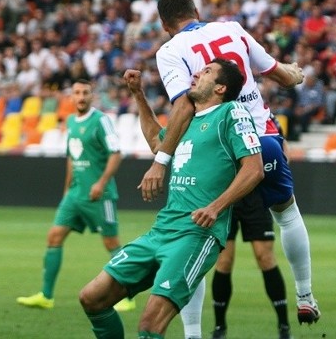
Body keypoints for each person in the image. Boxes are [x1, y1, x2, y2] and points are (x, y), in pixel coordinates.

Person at [139, 0, 320, 336]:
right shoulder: (232, 28)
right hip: (259, 139)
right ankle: (305, 293)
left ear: (164, 26)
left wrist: (161, 159)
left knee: (194, 237)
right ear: (196, 9)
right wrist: (294, 74)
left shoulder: (169, 51)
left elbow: (183, 106)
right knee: (287, 213)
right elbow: (279, 74)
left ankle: (193, 333)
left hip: (211, 148)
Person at [78, 60, 265, 339]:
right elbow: (156, 142)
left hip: (196, 234)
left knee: (149, 326)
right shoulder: (185, 121)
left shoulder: (231, 112)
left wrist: (216, 207)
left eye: (207, 72)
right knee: (92, 297)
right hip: (162, 229)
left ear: (221, 87)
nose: (197, 74)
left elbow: (254, 169)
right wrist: (138, 94)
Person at [17, 79, 134, 312]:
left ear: (92, 96)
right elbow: (71, 157)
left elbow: (116, 153)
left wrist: (101, 183)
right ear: (71, 97)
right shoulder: (70, 121)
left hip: (99, 195)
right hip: (75, 194)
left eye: (85, 93)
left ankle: (127, 295)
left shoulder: (101, 121)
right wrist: (66, 190)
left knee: (111, 242)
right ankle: (46, 296)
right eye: (77, 93)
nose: (80, 97)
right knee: (54, 237)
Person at [209, 190, 292, 339]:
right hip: (225, 193)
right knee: (224, 261)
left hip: (256, 193)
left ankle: (284, 326)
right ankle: (219, 327)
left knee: (265, 258)